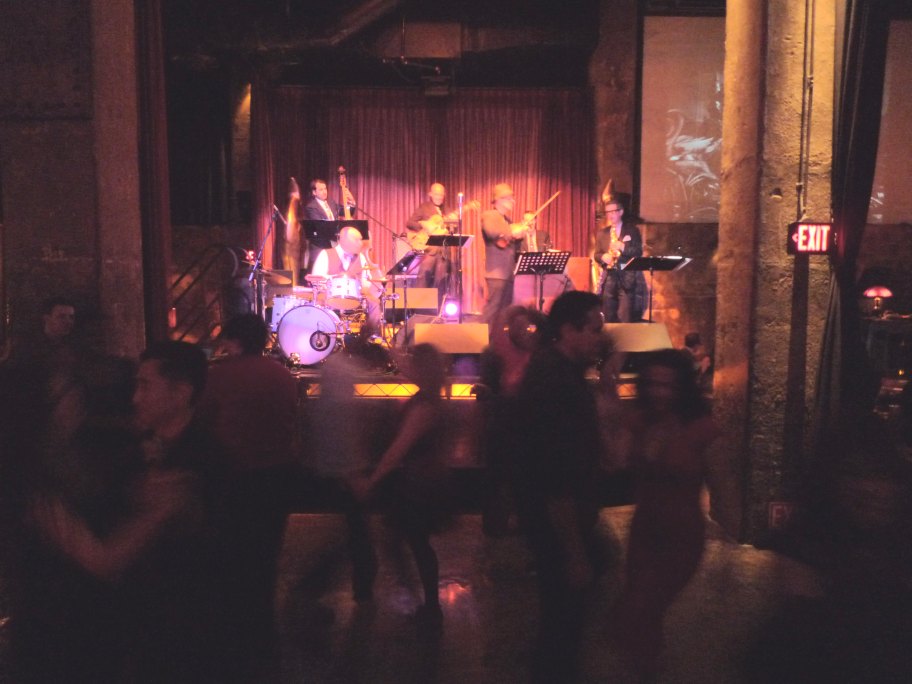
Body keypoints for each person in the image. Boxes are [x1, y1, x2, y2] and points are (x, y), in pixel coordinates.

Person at [604, 348, 737, 680]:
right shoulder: (639, 419)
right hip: (643, 531)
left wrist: (737, 536)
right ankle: (648, 671)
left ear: (683, 387)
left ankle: (648, 671)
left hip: (681, 536)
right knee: (640, 614)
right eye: (653, 384)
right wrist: (609, 396)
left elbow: (724, 486)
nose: (659, 392)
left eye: (668, 385)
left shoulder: (702, 429)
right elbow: (617, 461)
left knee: (640, 609)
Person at [514, 290, 609, 683]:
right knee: (562, 623)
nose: (600, 337)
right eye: (594, 329)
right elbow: (556, 475)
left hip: (556, 516)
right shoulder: (556, 381)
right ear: (569, 330)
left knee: (561, 619)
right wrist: (574, 550)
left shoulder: (558, 370)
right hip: (557, 521)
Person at [197, 314, 301, 670]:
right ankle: (264, 634)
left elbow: (202, 422)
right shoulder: (283, 375)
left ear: (234, 340)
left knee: (233, 555)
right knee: (265, 554)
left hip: (237, 475)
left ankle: (236, 640)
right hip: (278, 474)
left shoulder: (221, 376)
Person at [351, 344, 453, 625]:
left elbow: (399, 448)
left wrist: (373, 479)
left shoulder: (424, 406)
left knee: (409, 543)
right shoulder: (431, 399)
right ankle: (425, 604)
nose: (406, 365)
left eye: (412, 362)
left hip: (417, 486)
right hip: (426, 482)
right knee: (410, 542)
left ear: (422, 368)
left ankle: (427, 606)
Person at [311, 225, 385, 333]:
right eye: (357, 240)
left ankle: (370, 335)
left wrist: (370, 283)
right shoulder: (325, 254)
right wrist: (335, 279)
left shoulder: (362, 257)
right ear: (344, 239)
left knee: (374, 302)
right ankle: (322, 333)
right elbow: (316, 280)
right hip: (329, 297)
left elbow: (366, 283)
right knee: (319, 301)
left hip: (356, 297)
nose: (361, 243)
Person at [593, 187, 643, 322]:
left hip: (626, 278)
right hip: (609, 277)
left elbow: (638, 252)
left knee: (624, 316)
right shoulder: (602, 233)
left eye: (613, 212)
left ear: (621, 212)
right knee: (608, 316)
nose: (610, 215)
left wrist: (623, 246)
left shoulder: (632, 231)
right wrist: (603, 257)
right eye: (607, 212)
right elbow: (596, 254)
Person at [481, 183, 528, 324]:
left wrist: (522, 234)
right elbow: (492, 232)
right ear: (500, 199)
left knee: (503, 315)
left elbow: (512, 244)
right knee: (492, 313)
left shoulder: (507, 220)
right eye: (510, 198)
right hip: (496, 274)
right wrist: (512, 232)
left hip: (507, 273)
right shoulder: (489, 215)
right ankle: (480, 343)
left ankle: (496, 344)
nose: (513, 201)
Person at [300, 177, 357, 274]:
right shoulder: (311, 207)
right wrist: (339, 226)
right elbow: (321, 225)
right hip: (320, 247)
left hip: (333, 245)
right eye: (321, 189)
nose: (324, 191)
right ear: (314, 192)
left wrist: (352, 202)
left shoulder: (331, 202)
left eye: (325, 189)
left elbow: (347, 212)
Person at [406, 182, 450, 291]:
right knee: (423, 279)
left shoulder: (446, 210)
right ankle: (418, 306)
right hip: (429, 250)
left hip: (443, 252)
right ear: (430, 194)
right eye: (436, 194)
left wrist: (450, 227)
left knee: (441, 281)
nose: (439, 197)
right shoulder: (424, 207)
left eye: (441, 195)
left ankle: (438, 307)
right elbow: (410, 222)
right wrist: (424, 226)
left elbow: (449, 228)